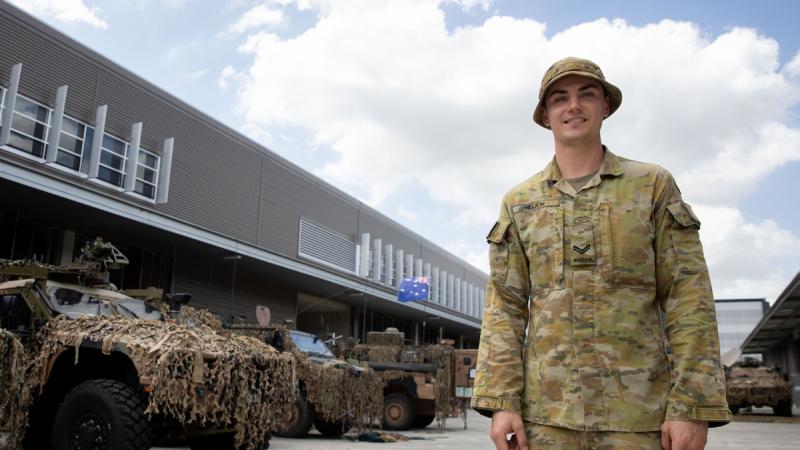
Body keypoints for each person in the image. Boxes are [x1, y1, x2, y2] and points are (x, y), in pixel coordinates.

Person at [471, 57, 730, 450]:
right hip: (545, 421)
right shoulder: (520, 202)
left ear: (605, 106)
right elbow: (504, 308)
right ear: (545, 115)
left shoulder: (651, 186)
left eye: (586, 94)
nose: (573, 106)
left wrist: (692, 406)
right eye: (560, 98)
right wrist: (502, 403)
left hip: (639, 419)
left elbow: (687, 294)